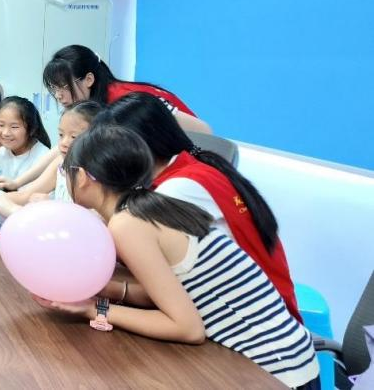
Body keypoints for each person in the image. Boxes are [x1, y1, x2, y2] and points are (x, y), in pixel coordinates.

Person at [34, 125, 319, 389]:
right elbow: (175, 291)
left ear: (82, 176)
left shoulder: (127, 224)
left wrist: (93, 310)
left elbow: (188, 328)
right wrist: (107, 290)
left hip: (274, 372)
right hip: (290, 360)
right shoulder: (152, 207)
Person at [95, 92, 301, 322]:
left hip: (254, 320)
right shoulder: (193, 166)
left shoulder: (176, 189)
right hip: (259, 306)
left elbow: (160, 279)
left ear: (137, 146)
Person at [42, 44, 211, 134]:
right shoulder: (95, 106)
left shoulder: (127, 100)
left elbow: (204, 130)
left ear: (89, 80)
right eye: (54, 88)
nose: (58, 95)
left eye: (63, 87)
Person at [0, 101, 101, 214]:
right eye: (61, 135)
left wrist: (49, 206)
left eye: (74, 137)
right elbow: (26, 195)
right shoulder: (61, 162)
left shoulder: (97, 176)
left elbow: (84, 219)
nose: (63, 142)